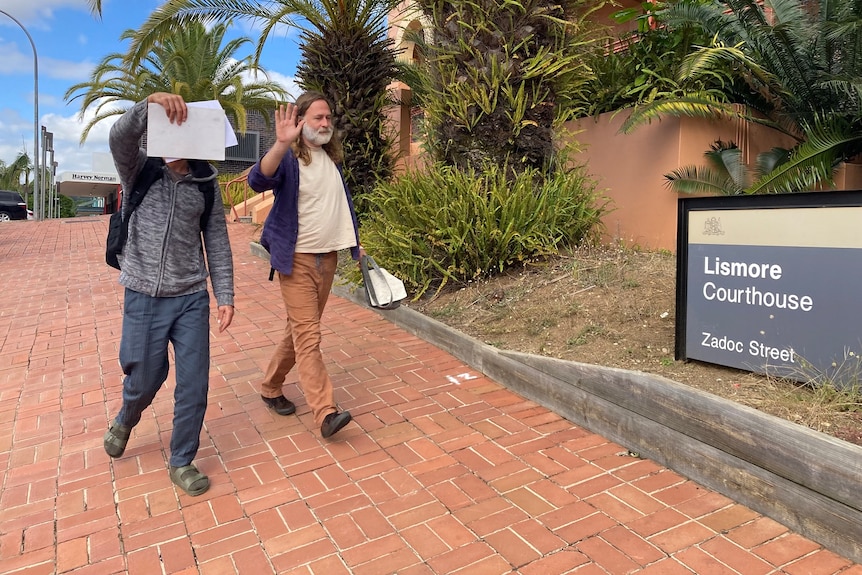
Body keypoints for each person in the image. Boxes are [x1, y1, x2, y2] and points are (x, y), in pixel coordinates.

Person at [103, 92, 235, 497]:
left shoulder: (206, 183)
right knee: (145, 376)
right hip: (143, 292)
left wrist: (224, 293)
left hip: (191, 294)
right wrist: (148, 105)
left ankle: (182, 460)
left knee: (194, 383)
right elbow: (118, 138)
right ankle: (127, 415)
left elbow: (216, 238)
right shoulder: (139, 168)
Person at [248, 91, 362, 439]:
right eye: (317, 117)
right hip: (296, 260)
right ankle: (325, 412)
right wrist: (281, 144)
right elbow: (258, 180)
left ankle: (270, 386)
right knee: (309, 336)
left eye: (328, 118)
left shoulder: (331, 158)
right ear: (300, 121)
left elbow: (338, 204)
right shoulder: (289, 159)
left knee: (298, 332)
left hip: (327, 258)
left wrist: (357, 242)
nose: (325, 123)